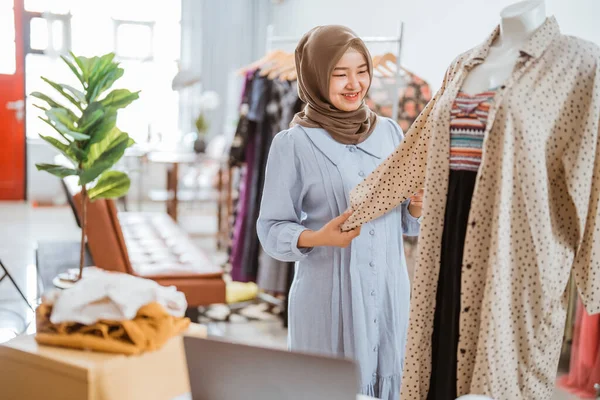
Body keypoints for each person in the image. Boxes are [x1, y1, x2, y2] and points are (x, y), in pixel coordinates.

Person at [256, 25, 422, 400]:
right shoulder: (293, 143)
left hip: (388, 293)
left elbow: (406, 224)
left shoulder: (391, 133)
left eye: (361, 70)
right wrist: (317, 237)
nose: (354, 84)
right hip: (327, 297)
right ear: (315, 76)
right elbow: (271, 228)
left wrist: (415, 205)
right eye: (339, 73)